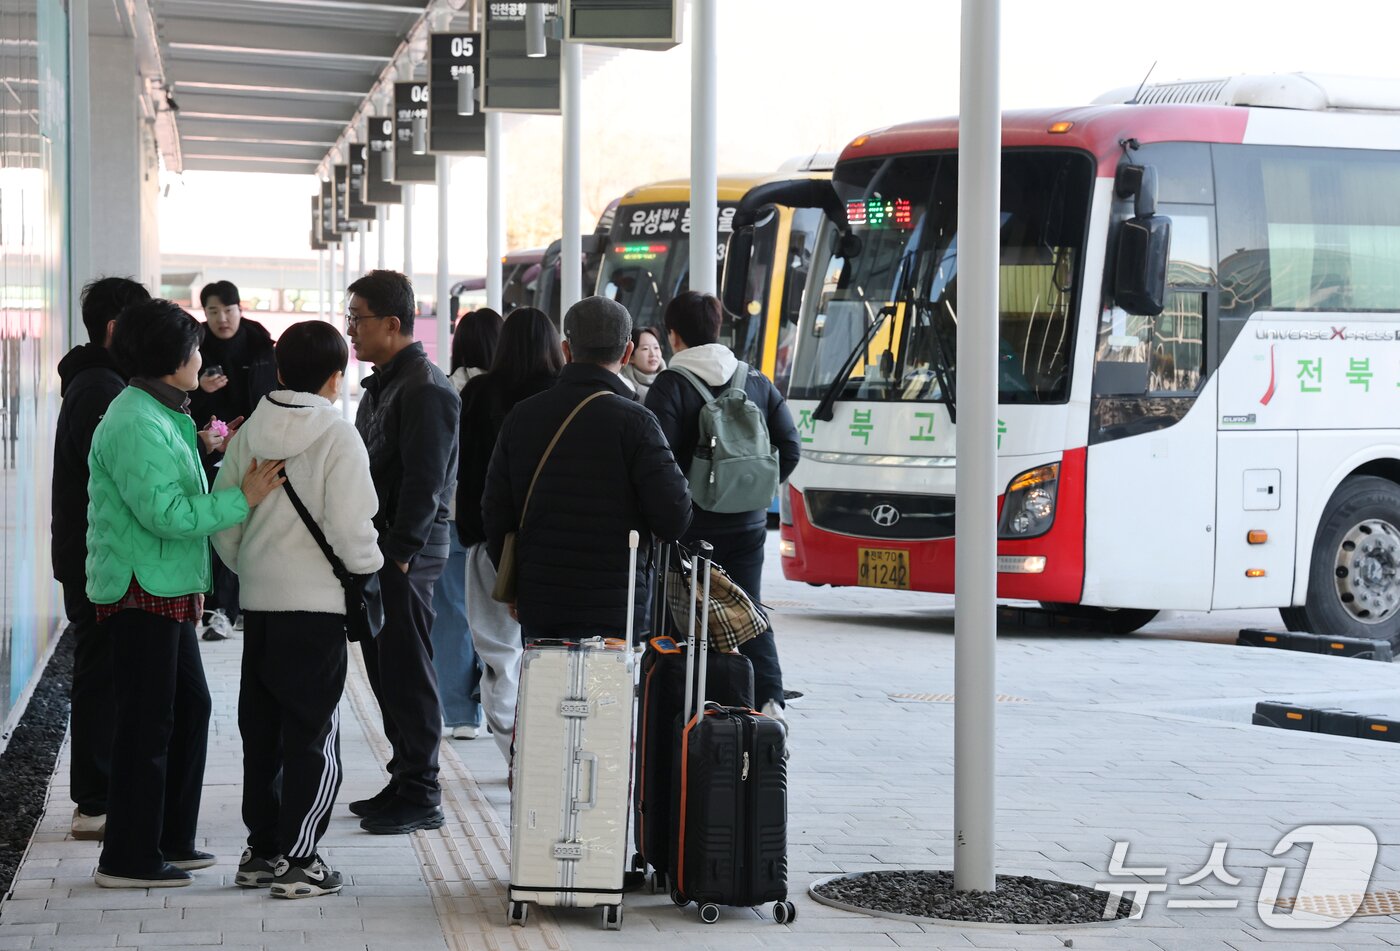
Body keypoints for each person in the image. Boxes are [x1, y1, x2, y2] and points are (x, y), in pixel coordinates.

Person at [86, 299, 284, 888]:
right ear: (172, 358)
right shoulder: (133, 420)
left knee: (189, 709)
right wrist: (241, 498)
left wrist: (206, 450)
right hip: (141, 589)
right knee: (147, 725)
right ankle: (126, 857)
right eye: (195, 348)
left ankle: (170, 837)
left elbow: (165, 484)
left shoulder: (160, 410)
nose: (203, 358)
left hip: (165, 586)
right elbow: (166, 513)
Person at [213, 320, 382, 899]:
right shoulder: (338, 437)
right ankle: (302, 860)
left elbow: (225, 517)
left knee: (261, 732)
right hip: (315, 610)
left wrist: (252, 571)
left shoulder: (249, 433)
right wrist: (365, 570)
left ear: (279, 371)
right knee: (313, 732)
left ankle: (261, 852)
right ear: (336, 379)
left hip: (260, 606)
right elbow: (351, 526)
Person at [483, 297, 692, 641]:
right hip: (616, 605)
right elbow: (674, 517)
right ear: (626, 354)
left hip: (541, 598)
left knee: (544, 691)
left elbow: (494, 510)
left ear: (566, 349)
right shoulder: (637, 422)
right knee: (605, 695)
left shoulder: (522, 416)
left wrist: (516, 581)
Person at [644, 291, 802, 728]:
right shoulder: (755, 380)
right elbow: (789, 448)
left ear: (674, 336)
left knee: (687, 617)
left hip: (692, 526)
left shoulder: (671, 385)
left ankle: (694, 709)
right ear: (717, 329)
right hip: (748, 524)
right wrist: (751, 494)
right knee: (750, 609)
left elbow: (657, 460)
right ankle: (769, 702)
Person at [345, 269, 461, 834]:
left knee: (408, 671)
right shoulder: (389, 382)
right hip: (385, 547)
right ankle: (404, 776)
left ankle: (422, 792)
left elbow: (426, 483)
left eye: (358, 319)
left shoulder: (426, 388)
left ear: (393, 323)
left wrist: (399, 554)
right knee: (387, 669)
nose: (351, 331)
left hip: (406, 552)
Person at [51, 276, 151, 842]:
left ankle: (99, 794)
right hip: (96, 557)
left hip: (91, 552)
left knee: (104, 673)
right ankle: (95, 800)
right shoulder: (101, 389)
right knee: (101, 676)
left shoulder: (97, 381)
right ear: (117, 329)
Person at [456, 307, 562, 761]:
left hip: (490, 540)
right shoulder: (563, 393)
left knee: (499, 656)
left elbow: (468, 471)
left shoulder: (479, 393)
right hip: (555, 544)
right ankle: (546, 756)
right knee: (552, 654)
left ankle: (514, 756)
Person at [190, 280, 279, 641]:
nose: (222, 318)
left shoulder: (261, 344)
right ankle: (220, 609)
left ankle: (242, 606)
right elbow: (183, 400)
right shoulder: (195, 347)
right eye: (213, 311)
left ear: (239, 309)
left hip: (256, 448)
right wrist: (200, 388)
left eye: (228, 310)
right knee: (221, 528)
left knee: (254, 528)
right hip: (211, 450)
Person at [433, 308, 503, 741]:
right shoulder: (506, 393)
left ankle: (459, 714)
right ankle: (501, 702)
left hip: (450, 517)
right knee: (499, 616)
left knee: (452, 615)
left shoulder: (444, 387)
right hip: (496, 520)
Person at [619, 325, 666, 400]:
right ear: (631, 356)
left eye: (656, 347)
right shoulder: (622, 385)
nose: (653, 354)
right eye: (645, 348)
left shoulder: (670, 382)